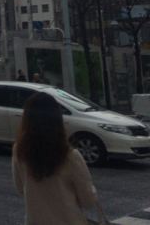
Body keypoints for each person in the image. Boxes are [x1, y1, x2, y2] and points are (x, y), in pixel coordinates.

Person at [12, 92, 99, 225]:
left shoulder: (19, 150)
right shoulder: (70, 155)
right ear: (57, 119)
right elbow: (88, 201)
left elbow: (20, 188)